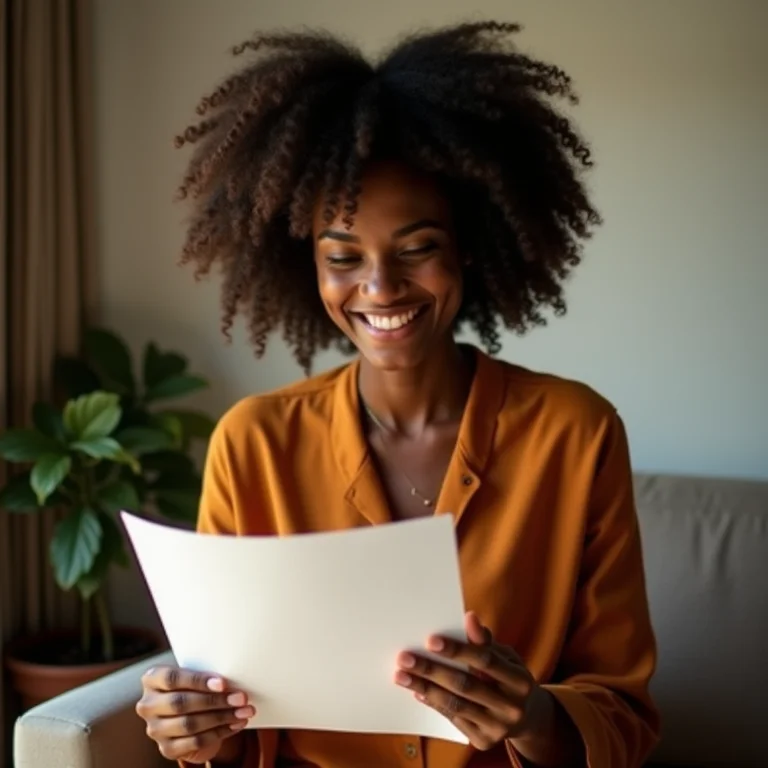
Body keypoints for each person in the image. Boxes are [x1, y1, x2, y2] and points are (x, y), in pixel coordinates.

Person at [135, 21, 660, 768]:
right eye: (343, 257)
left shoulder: (576, 433)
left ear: (470, 247)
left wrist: (532, 714)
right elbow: (232, 721)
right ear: (306, 266)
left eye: (417, 249)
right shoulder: (253, 444)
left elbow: (625, 717)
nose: (379, 288)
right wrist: (195, 729)